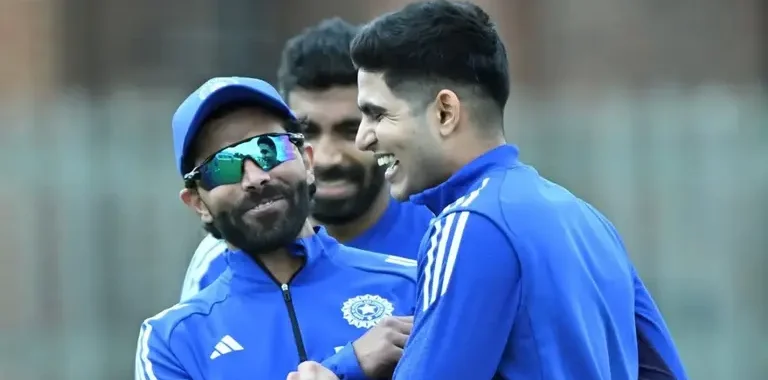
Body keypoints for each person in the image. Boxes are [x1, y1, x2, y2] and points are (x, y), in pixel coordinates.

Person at [345, 1, 687, 379]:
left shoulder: (468, 223)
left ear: (445, 112)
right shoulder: (589, 221)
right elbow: (661, 371)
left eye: (377, 114)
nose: (362, 138)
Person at [135, 76, 417, 380]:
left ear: (307, 163)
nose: (255, 178)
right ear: (198, 203)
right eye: (223, 166)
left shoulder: (411, 283)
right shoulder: (171, 342)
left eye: (268, 149)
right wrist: (346, 366)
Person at [179, 18, 433, 301]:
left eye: (351, 130)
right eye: (307, 131)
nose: (327, 157)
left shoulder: (439, 233)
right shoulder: (219, 261)